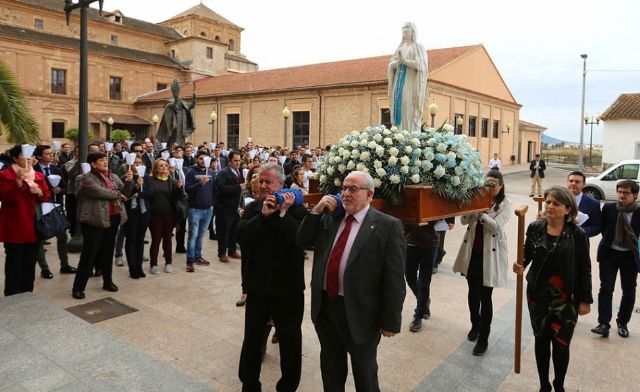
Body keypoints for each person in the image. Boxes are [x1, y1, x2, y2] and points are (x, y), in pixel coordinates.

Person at [296, 171, 406, 390]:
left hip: (361, 314)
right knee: (331, 370)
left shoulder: (387, 225)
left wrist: (390, 321)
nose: (346, 193)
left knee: (365, 376)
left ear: (369, 195)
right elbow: (301, 240)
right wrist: (316, 211)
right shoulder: (330, 217)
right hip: (326, 309)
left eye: (353, 189)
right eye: (344, 188)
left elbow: (394, 279)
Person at [514, 186, 592, 392]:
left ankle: (559, 384)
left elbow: (585, 268)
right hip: (538, 295)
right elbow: (526, 254)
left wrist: (585, 300)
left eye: (556, 203)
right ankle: (543, 385)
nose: (550, 206)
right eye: (548, 202)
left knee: (561, 343)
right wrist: (519, 263)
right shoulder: (535, 228)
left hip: (566, 298)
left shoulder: (577, 234)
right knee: (541, 340)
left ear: (568, 209)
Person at [236, 163, 307, 391]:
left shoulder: (297, 210)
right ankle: (249, 384)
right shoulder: (253, 208)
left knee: (290, 342)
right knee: (252, 340)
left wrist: (282, 214)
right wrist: (264, 217)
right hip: (257, 288)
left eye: (268, 182)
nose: (263, 186)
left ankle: (287, 386)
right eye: (261, 181)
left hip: (288, 290)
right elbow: (242, 236)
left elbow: (300, 241)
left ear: (281, 185)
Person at [453, 170, 512, 355]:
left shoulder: (505, 204)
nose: (489, 188)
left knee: (486, 297)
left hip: (490, 256)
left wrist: (481, 213)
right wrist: (470, 206)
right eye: (487, 185)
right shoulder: (478, 198)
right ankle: (475, 325)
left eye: (493, 186)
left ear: (501, 186)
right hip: (473, 253)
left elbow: (496, 227)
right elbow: (463, 220)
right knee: (472, 293)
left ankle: (484, 338)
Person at [71, 152, 127, 300]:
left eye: (105, 160)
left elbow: (123, 189)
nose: (105, 162)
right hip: (93, 220)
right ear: (93, 164)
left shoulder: (112, 176)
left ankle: (107, 281)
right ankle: (78, 287)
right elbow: (100, 192)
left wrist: (130, 181)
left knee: (108, 252)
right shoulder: (85, 178)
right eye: (101, 160)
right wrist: (117, 194)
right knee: (89, 254)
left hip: (112, 217)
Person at [592, 180, 640, 338]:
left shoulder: (639, 212)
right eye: (619, 192)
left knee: (629, 291)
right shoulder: (609, 208)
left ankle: (623, 322)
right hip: (610, 254)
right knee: (606, 288)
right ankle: (603, 323)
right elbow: (604, 229)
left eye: (626, 193)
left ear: (635, 195)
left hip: (630, 256)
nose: (622, 195)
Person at [0, 145, 51, 296]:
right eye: (24, 156)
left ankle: (27, 293)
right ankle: (12, 293)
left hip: (35, 224)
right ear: (15, 158)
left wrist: (40, 192)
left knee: (30, 262)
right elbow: (5, 197)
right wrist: (18, 182)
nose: (29, 159)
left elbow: (47, 197)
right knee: (14, 262)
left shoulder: (38, 176)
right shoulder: (5, 175)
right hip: (16, 224)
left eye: (30, 156)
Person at [33, 145, 76, 279]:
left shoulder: (56, 169)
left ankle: (65, 265)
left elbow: (64, 186)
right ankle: (44, 268)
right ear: (39, 156)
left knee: (62, 236)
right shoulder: (33, 171)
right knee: (40, 237)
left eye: (51, 153)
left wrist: (60, 190)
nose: (51, 156)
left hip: (55, 206)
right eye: (47, 154)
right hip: (39, 207)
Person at [145, 159, 183, 274]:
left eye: (166, 165)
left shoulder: (171, 181)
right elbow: (148, 196)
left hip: (169, 215)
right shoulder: (150, 180)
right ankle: (153, 264)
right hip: (155, 215)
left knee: (167, 240)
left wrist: (179, 188)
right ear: (156, 168)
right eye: (161, 166)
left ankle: (168, 262)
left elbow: (176, 199)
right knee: (156, 240)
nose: (164, 167)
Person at [387, 22, 427, 133]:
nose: (405, 29)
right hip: (398, 84)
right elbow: (391, 64)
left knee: (407, 106)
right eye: (403, 27)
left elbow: (421, 65)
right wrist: (397, 63)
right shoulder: (399, 47)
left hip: (409, 83)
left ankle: (409, 135)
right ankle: (398, 134)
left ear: (413, 30)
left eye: (407, 27)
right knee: (396, 107)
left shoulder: (418, 46)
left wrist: (405, 61)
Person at [404, 220, 439, 332]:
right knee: (410, 278)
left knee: (424, 282)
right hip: (410, 243)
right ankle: (424, 301)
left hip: (430, 244)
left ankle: (418, 316)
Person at [184, 151, 215, 272]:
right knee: (193, 235)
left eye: (205, 159)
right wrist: (199, 183)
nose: (203, 161)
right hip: (195, 209)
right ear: (196, 159)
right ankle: (190, 260)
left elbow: (214, 190)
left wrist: (213, 203)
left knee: (201, 235)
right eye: (200, 158)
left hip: (208, 209)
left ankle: (198, 256)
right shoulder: (191, 172)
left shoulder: (211, 172)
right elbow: (187, 189)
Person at [121, 156, 149, 279]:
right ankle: (132, 268)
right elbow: (124, 195)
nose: (137, 165)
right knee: (131, 238)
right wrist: (136, 187)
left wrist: (140, 191)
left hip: (143, 211)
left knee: (140, 239)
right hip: (130, 212)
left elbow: (151, 192)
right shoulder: (126, 178)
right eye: (135, 163)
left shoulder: (146, 178)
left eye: (140, 163)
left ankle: (139, 266)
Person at [215, 150, 244, 263]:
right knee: (224, 231)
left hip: (236, 206)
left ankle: (232, 250)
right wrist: (238, 187)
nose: (238, 163)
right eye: (235, 161)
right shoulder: (223, 173)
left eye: (239, 160)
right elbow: (221, 188)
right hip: (225, 206)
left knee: (234, 230)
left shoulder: (239, 172)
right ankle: (222, 253)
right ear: (230, 161)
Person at [156, 79, 197, 147]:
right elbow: (173, 106)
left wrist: (194, 100)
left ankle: (180, 149)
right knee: (174, 138)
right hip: (175, 122)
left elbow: (190, 107)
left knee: (181, 139)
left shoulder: (182, 101)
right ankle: (172, 148)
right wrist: (175, 100)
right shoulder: (170, 100)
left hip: (182, 123)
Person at [566, 170, 602, 238]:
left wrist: (579, 232)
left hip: (580, 243)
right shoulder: (558, 199)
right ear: (567, 183)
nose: (573, 183)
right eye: (571, 181)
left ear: (584, 184)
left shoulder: (593, 204)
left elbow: (597, 227)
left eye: (577, 182)